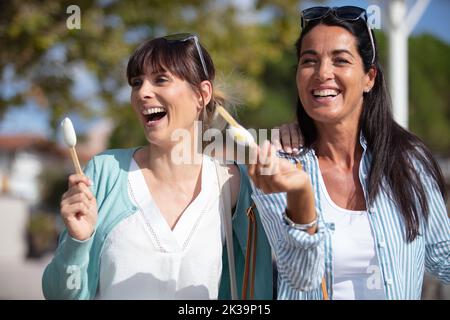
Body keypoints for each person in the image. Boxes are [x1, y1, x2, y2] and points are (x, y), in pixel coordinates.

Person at [42, 33, 273, 300]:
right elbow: (59, 295)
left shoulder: (233, 184)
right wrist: (76, 243)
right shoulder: (105, 173)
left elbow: (259, 288)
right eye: (136, 83)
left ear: (202, 94)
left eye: (160, 79)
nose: (142, 93)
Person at [248, 6, 449, 300]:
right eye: (309, 61)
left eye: (340, 60)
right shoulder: (280, 164)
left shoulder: (409, 161)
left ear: (369, 78)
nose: (322, 73)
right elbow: (300, 277)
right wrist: (301, 197)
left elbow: (443, 255)